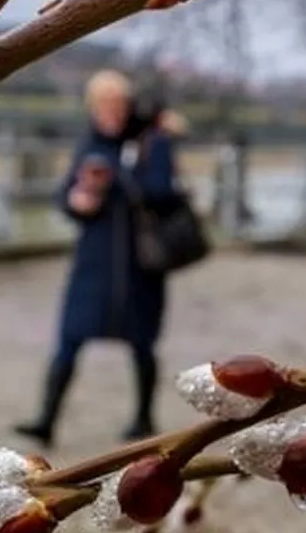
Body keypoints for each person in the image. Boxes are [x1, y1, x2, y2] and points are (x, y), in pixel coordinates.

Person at [13, 70, 181, 449]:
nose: (111, 112)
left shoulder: (152, 142)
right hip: (93, 262)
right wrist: (78, 201)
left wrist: (119, 175)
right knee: (69, 338)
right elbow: (64, 197)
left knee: (143, 343)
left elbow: (163, 195)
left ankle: (143, 417)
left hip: (140, 264)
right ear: (92, 108)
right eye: (103, 104)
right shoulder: (88, 144)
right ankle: (46, 420)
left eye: (118, 104)